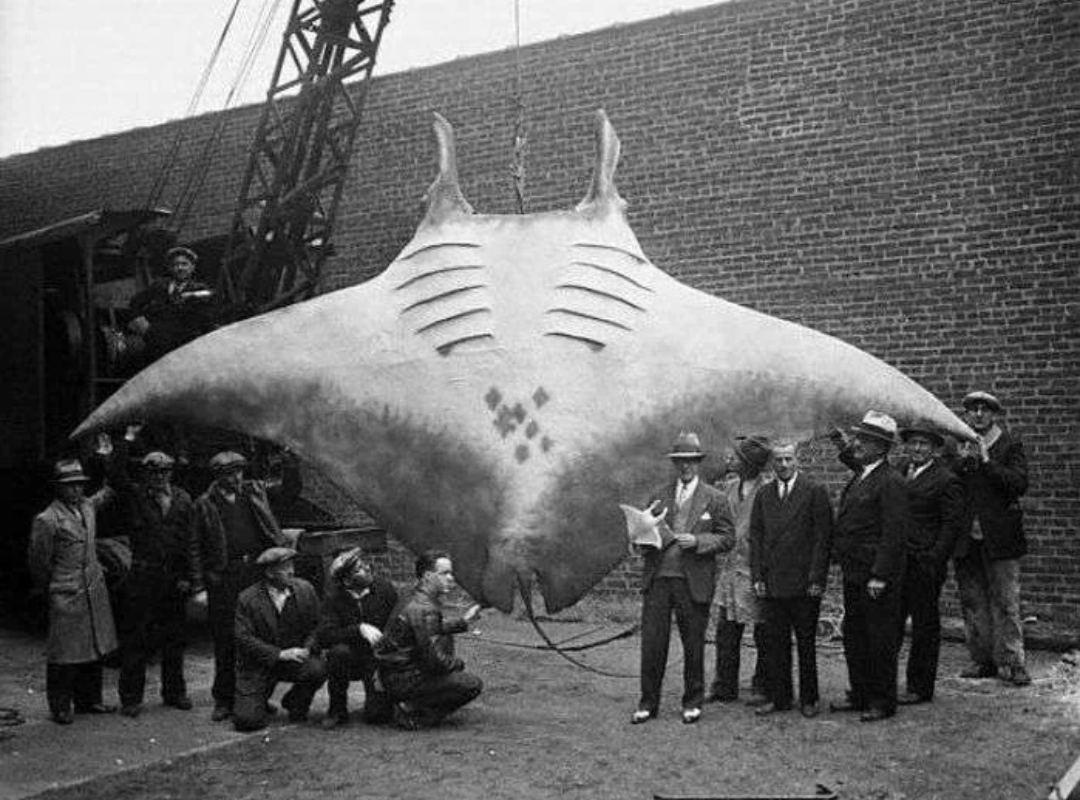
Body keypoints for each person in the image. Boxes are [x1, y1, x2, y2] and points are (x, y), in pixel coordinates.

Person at [632, 432, 735, 725]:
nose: (685, 467)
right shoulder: (659, 496)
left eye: (690, 462)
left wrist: (699, 541)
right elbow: (644, 534)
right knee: (652, 644)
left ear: (698, 463)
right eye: (680, 462)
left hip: (693, 581)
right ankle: (647, 702)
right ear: (674, 464)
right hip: (658, 580)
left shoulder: (715, 498)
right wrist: (641, 538)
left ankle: (692, 701)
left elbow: (729, 537)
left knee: (693, 644)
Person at [194, 450, 286, 723]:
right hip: (224, 579)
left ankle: (254, 696)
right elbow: (195, 546)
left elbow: (289, 489)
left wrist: (289, 462)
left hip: (253, 574)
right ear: (218, 477)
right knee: (226, 640)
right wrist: (200, 584)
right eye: (230, 473)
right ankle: (223, 699)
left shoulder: (253, 494)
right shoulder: (204, 504)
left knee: (257, 637)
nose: (237, 478)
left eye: (239, 471)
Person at [830, 411, 910, 722]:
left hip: (874, 577)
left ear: (881, 447)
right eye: (859, 438)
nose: (858, 443)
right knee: (856, 635)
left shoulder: (891, 482)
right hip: (855, 573)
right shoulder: (863, 474)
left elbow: (894, 533)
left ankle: (882, 700)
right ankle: (860, 693)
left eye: (865, 439)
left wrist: (880, 575)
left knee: (880, 637)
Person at [27, 459, 119, 724]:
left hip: (93, 589)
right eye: (69, 486)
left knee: (94, 648)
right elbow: (38, 560)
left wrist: (112, 454)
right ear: (58, 488)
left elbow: (108, 492)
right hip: (66, 591)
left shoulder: (87, 508)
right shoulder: (47, 519)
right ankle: (60, 706)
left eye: (79, 485)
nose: (76, 490)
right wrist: (51, 586)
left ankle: (90, 700)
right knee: (64, 654)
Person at [952, 391, 1032, 686]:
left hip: (1000, 538)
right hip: (967, 540)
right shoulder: (960, 445)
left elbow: (1018, 483)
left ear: (994, 414)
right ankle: (981, 659)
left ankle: (1012, 661)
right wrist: (961, 464)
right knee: (973, 601)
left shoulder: (1010, 444)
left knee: (1006, 600)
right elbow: (949, 484)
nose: (978, 415)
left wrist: (986, 462)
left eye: (985, 410)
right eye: (973, 410)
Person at [749, 442, 833, 718]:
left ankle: (809, 698)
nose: (783, 464)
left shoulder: (814, 492)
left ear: (798, 460)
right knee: (776, 642)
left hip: (804, 583)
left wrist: (816, 578)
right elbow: (757, 538)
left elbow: (823, 539)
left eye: (788, 459)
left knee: (806, 642)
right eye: (778, 460)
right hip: (773, 581)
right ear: (772, 463)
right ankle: (780, 697)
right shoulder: (764, 494)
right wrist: (758, 576)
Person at [117, 450, 201, 717]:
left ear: (171, 473)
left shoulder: (183, 499)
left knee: (174, 639)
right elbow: (114, 473)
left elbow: (190, 542)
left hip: (173, 580)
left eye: (164, 471)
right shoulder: (136, 496)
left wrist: (189, 577)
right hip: (143, 577)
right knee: (136, 640)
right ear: (146, 475)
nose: (159, 477)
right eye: (153, 472)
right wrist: (127, 442)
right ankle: (131, 698)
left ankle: (174, 693)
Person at [894, 422, 966, 704]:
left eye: (923, 444)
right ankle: (885, 681)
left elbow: (950, 526)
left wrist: (933, 559)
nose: (917, 449)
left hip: (924, 563)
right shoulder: (900, 472)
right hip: (898, 561)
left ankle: (919, 687)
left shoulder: (946, 480)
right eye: (912, 443)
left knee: (924, 626)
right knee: (892, 621)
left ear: (935, 450)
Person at [376, 550, 483, 730]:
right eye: (444, 573)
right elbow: (434, 661)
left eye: (451, 573)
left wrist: (464, 621)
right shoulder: (426, 608)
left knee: (446, 640)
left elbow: (431, 629)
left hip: (391, 673)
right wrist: (457, 664)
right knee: (471, 684)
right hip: (402, 678)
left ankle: (411, 703)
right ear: (427, 576)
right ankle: (414, 711)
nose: (451, 578)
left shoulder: (414, 596)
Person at [233, 547, 326, 732]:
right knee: (247, 721)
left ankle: (295, 702)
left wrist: (307, 648)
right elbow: (243, 638)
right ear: (270, 573)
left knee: (318, 669)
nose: (292, 571)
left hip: (295, 659)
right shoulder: (248, 599)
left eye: (292, 565)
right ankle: (258, 699)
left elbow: (318, 626)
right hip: (260, 664)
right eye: (285, 567)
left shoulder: (305, 590)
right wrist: (279, 654)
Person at [710, 435, 772, 705]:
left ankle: (763, 684)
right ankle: (725, 686)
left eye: (735, 457)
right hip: (731, 571)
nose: (730, 460)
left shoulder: (767, 490)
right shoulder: (729, 487)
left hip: (756, 571)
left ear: (748, 463)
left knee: (763, 630)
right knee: (726, 630)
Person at [317, 548, 398, 728]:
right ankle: (337, 709)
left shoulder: (385, 589)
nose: (367, 569)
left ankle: (382, 700)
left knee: (378, 716)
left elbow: (397, 624)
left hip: (377, 659)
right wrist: (358, 629)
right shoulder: (333, 599)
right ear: (347, 580)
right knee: (338, 652)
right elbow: (325, 635)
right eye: (359, 569)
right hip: (349, 658)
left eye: (366, 565)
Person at [126, 246, 214, 363]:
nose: (180, 268)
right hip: (157, 342)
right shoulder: (160, 285)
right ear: (170, 268)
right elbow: (135, 302)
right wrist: (140, 322)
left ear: (192, 267)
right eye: (176, 264)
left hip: (186, 344)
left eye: (184, 264)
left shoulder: (200, 289)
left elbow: (206, 318)